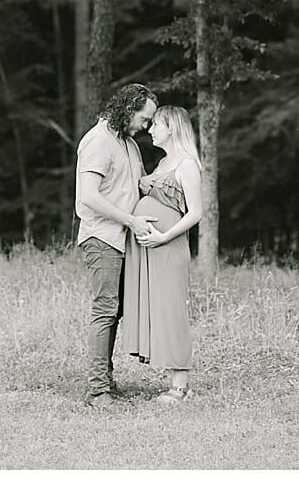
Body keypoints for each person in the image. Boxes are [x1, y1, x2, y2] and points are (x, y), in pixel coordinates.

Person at [74, 83, 159, 408]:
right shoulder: (97, 141)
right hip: (102, 237)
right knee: (105, 309)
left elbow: (141, 184)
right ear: (127, 109)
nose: (146, 126)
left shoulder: (129, 144)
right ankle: (97, 392)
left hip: (124, 239)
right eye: (144, 118)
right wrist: (131, 220)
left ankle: (105, 381)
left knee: (116, 310)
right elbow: (88, 196)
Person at [126, 104, 204, 403]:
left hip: (169, 247)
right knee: (159, 310)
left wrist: (163, 236)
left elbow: (195, 213)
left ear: (171, 128)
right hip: (153, 249)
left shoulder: (187, 165)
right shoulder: (161, 163)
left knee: (172, 312)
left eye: (156, 124)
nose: (150, 130)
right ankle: (173, 378)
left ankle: (180, 388)